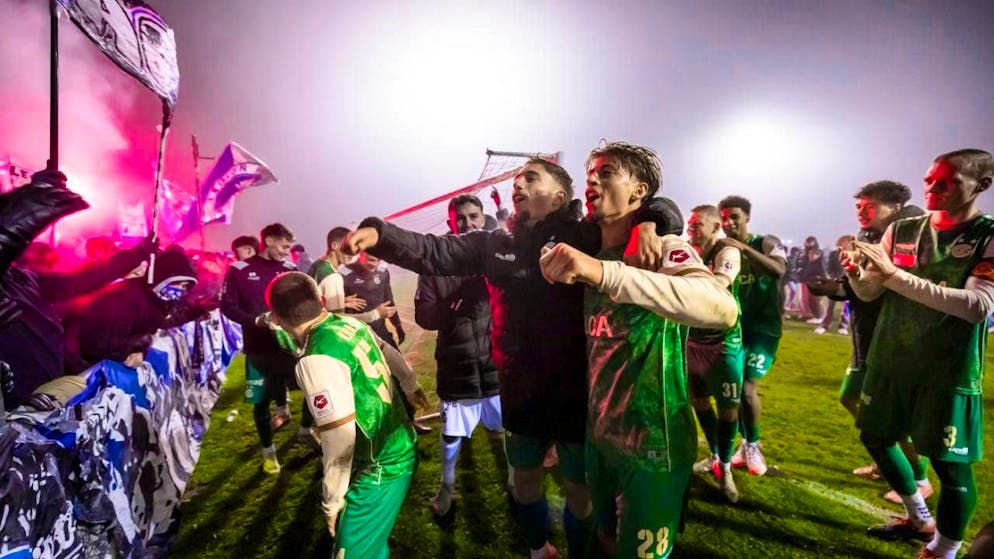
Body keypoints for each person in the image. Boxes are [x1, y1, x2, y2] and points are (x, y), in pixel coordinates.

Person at [343, 157, 679, 559]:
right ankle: (538, 550)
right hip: (518, 389)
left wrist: (651, 222)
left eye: (530, 179)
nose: (518, 186)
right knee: (524, 483)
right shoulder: (495, 244)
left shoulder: (585, 234)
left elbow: (658, 207)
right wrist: (379, 233)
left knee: (579, 491)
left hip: (575, 390)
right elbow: (433, 251)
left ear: (559, 196)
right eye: (517, 180)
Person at [539, 142, 737, 557]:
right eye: (590, 173)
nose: (592, 180)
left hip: (653, 444)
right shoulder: (591, 250)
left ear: (639, 191)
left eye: (607, 172)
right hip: (601, 436)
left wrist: (608, 271)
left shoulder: (661, 248)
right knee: (606, 542)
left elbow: (722, 308)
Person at [844, 149, 994, 559]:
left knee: (950, 465)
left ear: (981, 185)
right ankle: (917, 516)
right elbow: (872, 291)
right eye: (930, 179)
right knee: (875, 436)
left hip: (947, 370)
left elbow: (977, 306)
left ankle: (944, 549)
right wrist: (858, 274)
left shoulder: (987, 235)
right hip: (891, 358)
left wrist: (894, 275)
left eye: (947, 181)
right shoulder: (903, 229)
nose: (933, 188)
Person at [265, 272, 416, 558]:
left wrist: (331, 500)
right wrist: (410, 384)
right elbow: (387, 351)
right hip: (396, 443)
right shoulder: (349, 322)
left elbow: (339, 436)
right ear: (321, 301)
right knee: (372, 546)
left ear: (277, 318)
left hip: (382, 466)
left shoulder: (317, 359)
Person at [808, 180, 931, 502]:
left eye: (870, 206)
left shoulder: (913, 234)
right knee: (851, 397)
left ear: (896, 207)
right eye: (859, 207)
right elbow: (863, 285)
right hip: (866, 334)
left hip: (896, 340)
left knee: (893, 417)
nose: (862, 213)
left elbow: (900, 286)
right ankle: (888, 460)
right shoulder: (867, 236)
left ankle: (920, 478)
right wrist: (836, 287)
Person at [0, 170, 155, 405]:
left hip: (47, 396)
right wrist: (21, 207)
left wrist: (135, 255)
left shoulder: (24, 278)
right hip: (15, 411)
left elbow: (83, 280)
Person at [414, 194, 506, 516]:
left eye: (473, 216)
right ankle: (447, 489)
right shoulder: (435, 265)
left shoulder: (497, 256)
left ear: (482, 218)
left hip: (496, 365)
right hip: (457, 366)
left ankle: (514, 482)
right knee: (451, 434)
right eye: (461, 218)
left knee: (504, 429)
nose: (468, 223)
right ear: (451, 223)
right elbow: (424, 315)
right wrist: (456, 302)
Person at [220, 223, 305, 474]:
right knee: (260, 402)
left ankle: (306, 429)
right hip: (258, 350)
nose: (287, 251)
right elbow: (227, 306)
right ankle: (268, 451)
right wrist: (255, 321)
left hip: (289, 347)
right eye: (284, 246)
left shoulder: (289, 269)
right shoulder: (239, 270)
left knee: (311, 388)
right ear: (268, 240)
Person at [717, 195, 787, 476]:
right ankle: (744, 445)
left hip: (764, 329)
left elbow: (778, 270)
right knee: (733, 391)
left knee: (747, 389)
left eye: (734, 217)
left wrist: (744, 249)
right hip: (734, 328)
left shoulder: (766, 242)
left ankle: (754, 445)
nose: (729, 223)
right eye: (724, 218)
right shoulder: (723, 249)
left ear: (747, 217)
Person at [685, 204, 744, 503]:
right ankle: (716, 456)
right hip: (692, 340)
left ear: (714, 227)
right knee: (699, 402)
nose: (691, 229)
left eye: (697, 224)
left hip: (723, 342)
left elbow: (719, 286)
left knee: (728, 409)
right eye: (689, 224)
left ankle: (726, 467)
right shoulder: (687, 251)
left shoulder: (727, 252)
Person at [77, 246, 201, 368]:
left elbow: (161, 323)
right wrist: (138, 347)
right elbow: (104, 346)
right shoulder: (125, 298)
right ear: (161, 277)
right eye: (176, 283)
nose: (179, 289)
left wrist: (196, 311)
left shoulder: (159, 300)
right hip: (84, 367)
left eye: (184, 286)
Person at [340, 252, 405, 349]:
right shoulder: (343, 272)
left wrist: (397, 325)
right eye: (370, 260)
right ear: (361, 254)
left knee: (394, 357)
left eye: (378, 260)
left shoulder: (383, 272)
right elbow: (331, 305)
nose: (375, 264)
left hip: (380, 330)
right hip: (357, 332)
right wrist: (342, 302)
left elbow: (388, 301)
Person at [813, 235, 853, 335]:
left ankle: (843, 326)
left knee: (846, 307)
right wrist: (834, 277)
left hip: (849, 283)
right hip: (836, 282)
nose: (845, 243)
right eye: (844, 241)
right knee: (830, 305)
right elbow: (829, 268)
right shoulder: (834, 254)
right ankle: (824, 325)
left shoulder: (854, 253)